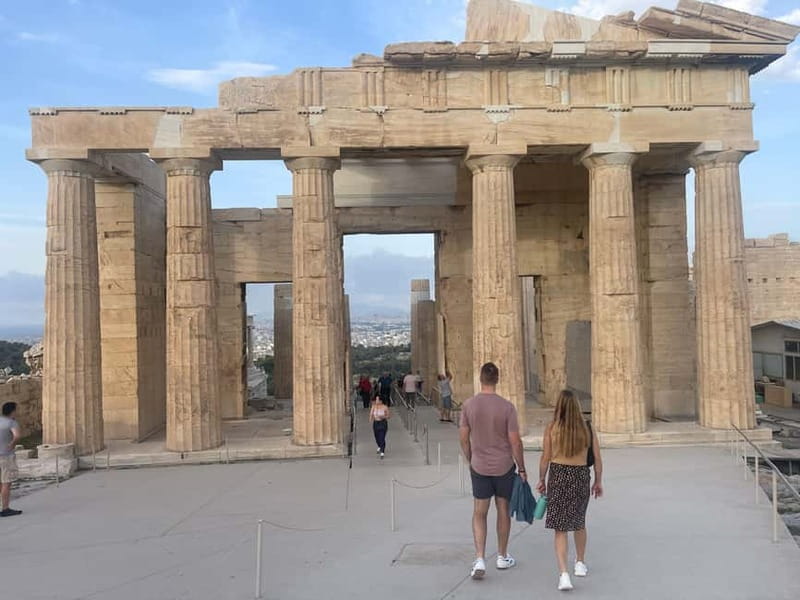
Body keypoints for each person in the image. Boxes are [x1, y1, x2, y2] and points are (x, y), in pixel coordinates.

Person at [459, 362, 527, 580]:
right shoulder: (507, 407)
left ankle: (480, 557)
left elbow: (463, 437)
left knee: (479, 511)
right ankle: (502, 555)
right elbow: (515, 441)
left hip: (479, 465)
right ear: (497, 379)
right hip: (503, 466)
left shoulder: (469, 405)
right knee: (503, 509)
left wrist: (471, 458)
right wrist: (522, 467)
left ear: (481, 379)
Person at [537, 389, 603, 592]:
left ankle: (564, 574)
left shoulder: (552, 428)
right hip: (580, 476)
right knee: (579, 521)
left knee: (560, 528)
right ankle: (580, 563)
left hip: (558, 475)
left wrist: (541, 479)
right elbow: (597, 458)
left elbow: (545, 458)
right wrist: (598, 481)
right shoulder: (587, 428)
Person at [0, 402, 22, 517]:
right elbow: (17, 436)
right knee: (6, 482)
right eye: (16, 410)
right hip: (6, 456)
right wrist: (12, 444)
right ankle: (5, 508)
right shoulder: (12, 423)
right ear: (12, 411)